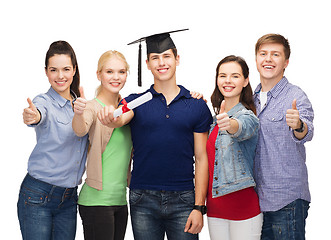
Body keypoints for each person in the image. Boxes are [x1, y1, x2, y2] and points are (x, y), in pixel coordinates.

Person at [98, 29, 213, 240]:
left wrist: (199, 206)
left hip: (184, 199)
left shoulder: (196, 106)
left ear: (177, 59)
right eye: (155, 58)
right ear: (147, 63)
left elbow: (202, 157)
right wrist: (112, 119)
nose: (161, 62)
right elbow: (121, 117)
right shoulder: (136, 101)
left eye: (167, 56)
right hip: (143, 199)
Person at [17, 40, 89, 240]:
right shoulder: (43, 102)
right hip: (38, 195)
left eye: (66, 69)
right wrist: (33, 116)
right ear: (46, 72)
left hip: (68, 199)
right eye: (54, 70)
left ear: (74, 70)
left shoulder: (81, 105)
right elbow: (38, 114)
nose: (60, 76)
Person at [253, 33, 314, 239]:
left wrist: (298, 125)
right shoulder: (249, 99)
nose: (268, 59)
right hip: (254, 203)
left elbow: (307, 131)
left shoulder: (295, 96)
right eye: (263, 54)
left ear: (285, 61)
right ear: (256, 59)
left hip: (287, 201)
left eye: (275, 54)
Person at [72, 50, 132, 240]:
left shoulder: (127, 109)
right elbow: (80, 130)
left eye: (121, 72)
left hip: (121, 201)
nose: (116, 77)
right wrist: (79, 113)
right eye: (109, 72)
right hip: (96, 201)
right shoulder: (91, 106)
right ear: (99, 75)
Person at [206, 55, 262, 240]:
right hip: (215, 209)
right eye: (222, 75)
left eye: (235, 76)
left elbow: (241, 128)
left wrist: (230, 124)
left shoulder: (248, 116)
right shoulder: (213, 122)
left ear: (245, 81)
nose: (227, 80)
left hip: (243, 208)